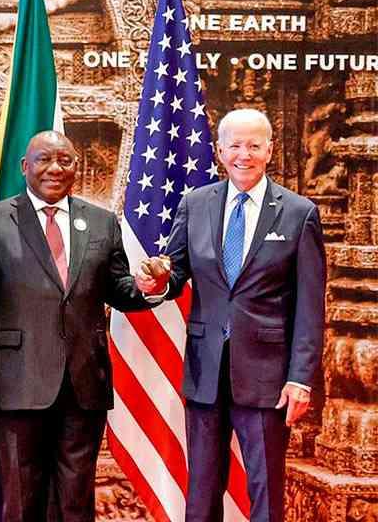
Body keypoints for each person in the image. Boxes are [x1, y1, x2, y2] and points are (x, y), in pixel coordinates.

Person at [0, 129, 158, 522]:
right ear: (24, 166)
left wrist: (150, 287)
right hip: (20, 381)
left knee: (76, 501)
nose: (54, 168)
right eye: (44, 159)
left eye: (64, 160)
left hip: (84, 382)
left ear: (76, 167)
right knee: (21, 501)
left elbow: (119, 290)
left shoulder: (101, 222)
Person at [142, 108, 325, 522]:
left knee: (265, 491)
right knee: (202, 491)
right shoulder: (195, 204)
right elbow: (174, 272)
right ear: (220, 151)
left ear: (269, 151)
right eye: (236, 145)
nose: (245, 155)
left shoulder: (298, 213)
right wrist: (156, 282)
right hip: (206, 371)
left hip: (268, 376)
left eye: (254, 145)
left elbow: (310, 305)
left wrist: (300, 378)